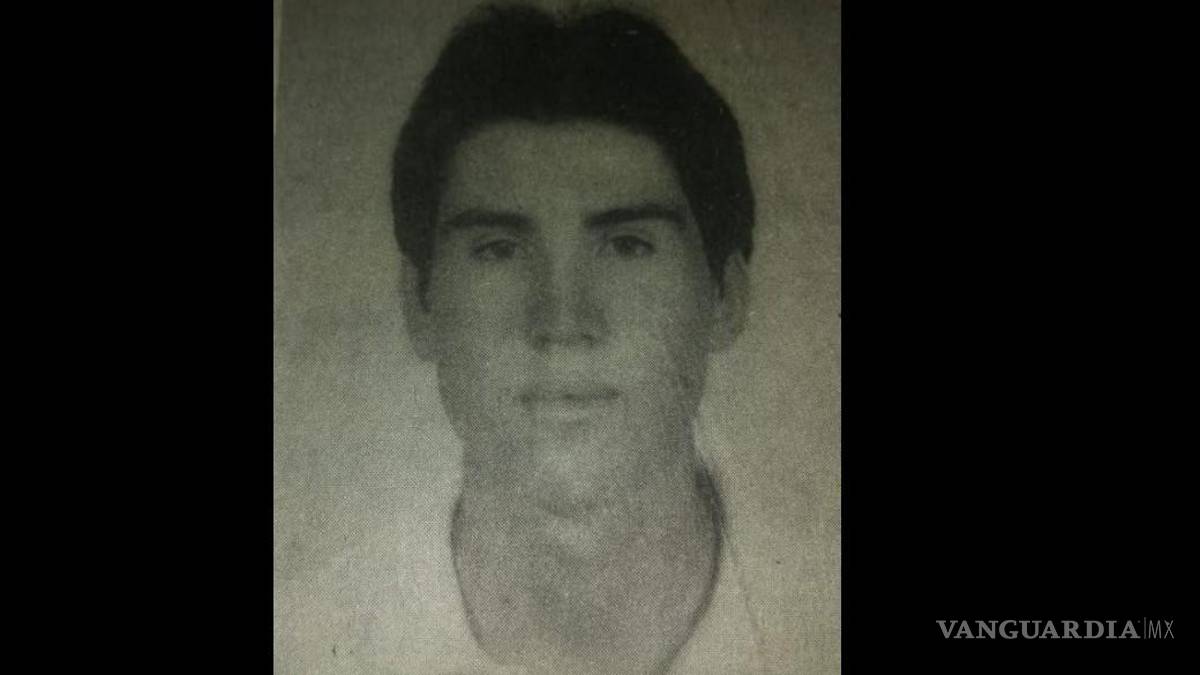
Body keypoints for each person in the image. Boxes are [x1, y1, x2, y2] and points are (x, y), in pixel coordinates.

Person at [278, 4, 763, 673]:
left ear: (724, 298)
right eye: (498, 250)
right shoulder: (305, 631)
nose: (562, 324)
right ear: (420, 303)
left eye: (627, 245)